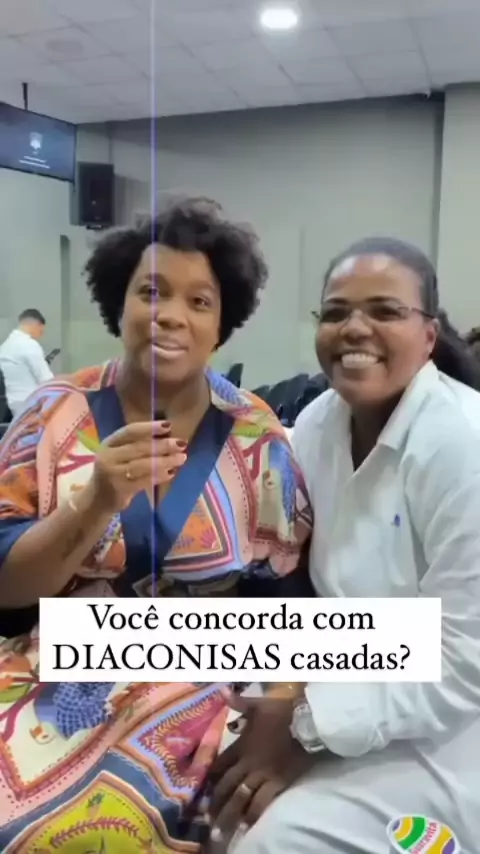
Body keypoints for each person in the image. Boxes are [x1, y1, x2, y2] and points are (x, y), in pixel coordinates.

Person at [0, 198, 312, 853]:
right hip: (50, 660)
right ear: (120, 303)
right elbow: (6, 586)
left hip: (201, 670)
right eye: (152, 292)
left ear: (222, 324)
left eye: (199, 301)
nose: (171, 314)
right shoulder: (54, 411)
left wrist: (280, 706)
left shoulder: (255, 432)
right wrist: (95, 502)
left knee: (93, 827)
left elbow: (290, 592)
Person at [211, 237, 480, 854]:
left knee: (265, 840)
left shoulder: (463, 445)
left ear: (429, 335)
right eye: (335, 312)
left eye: (385, 311)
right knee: (184, 767)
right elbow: (309, 601)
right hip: (341, 682)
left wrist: (305, 726)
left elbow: (464, 661)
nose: (355, 328)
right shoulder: (316, 424)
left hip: (448, 734)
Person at [0, 308, 53, 416]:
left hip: (13, 404)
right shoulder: (29, 345)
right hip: (32, 404)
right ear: (37, 325)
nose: (41, 335)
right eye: (41, 331)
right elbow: (45, 379)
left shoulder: (5, 346)